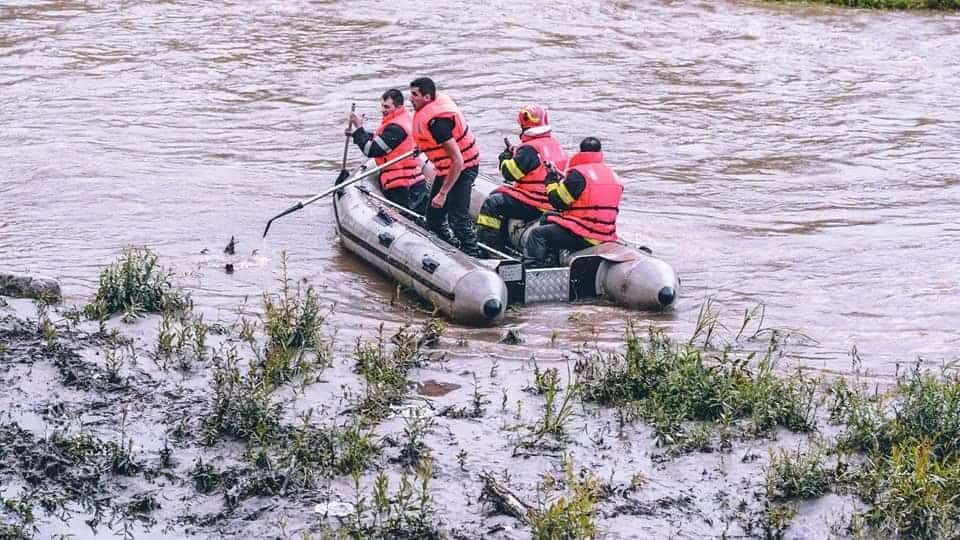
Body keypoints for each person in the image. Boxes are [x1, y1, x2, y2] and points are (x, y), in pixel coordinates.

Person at [476, 104, 569, 251]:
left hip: (534, 203)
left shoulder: (529, 148)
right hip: (553, 201)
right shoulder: (555, 145)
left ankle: (488, 246)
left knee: (493, 203)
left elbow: (510, 173)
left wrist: (504, 158)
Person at [409, 77, 481, 257]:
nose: (410, 98)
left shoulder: (438, 124)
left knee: (458, 217)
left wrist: (443, 193)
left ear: (427, 97)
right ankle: (448, 247)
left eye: (414, 95)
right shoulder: (429, 113)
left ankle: (474, 253)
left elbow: (458, 160)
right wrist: (422, 147)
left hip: (463, 168)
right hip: (447, 168)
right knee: (433, 216)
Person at [524, 137, 623, 267]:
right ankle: (553, 261)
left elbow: (558, 202)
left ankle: (533, 270)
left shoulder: (578, 174)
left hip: (584, 234)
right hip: (607, 233)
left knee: (537, 234)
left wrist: (551, 179)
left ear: (581, 152)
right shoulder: (612, 175)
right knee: (548, 217)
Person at [346, 89, 428, 215]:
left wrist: (359, 128)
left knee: (409, 218)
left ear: (398, 106)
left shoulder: (395, 128)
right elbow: (383, 140)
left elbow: (371, 150)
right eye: (382, 106)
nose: (383, 110)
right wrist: (357, 134)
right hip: (414, 180)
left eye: (387, 107)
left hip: (400, 185)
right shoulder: (405, 119)